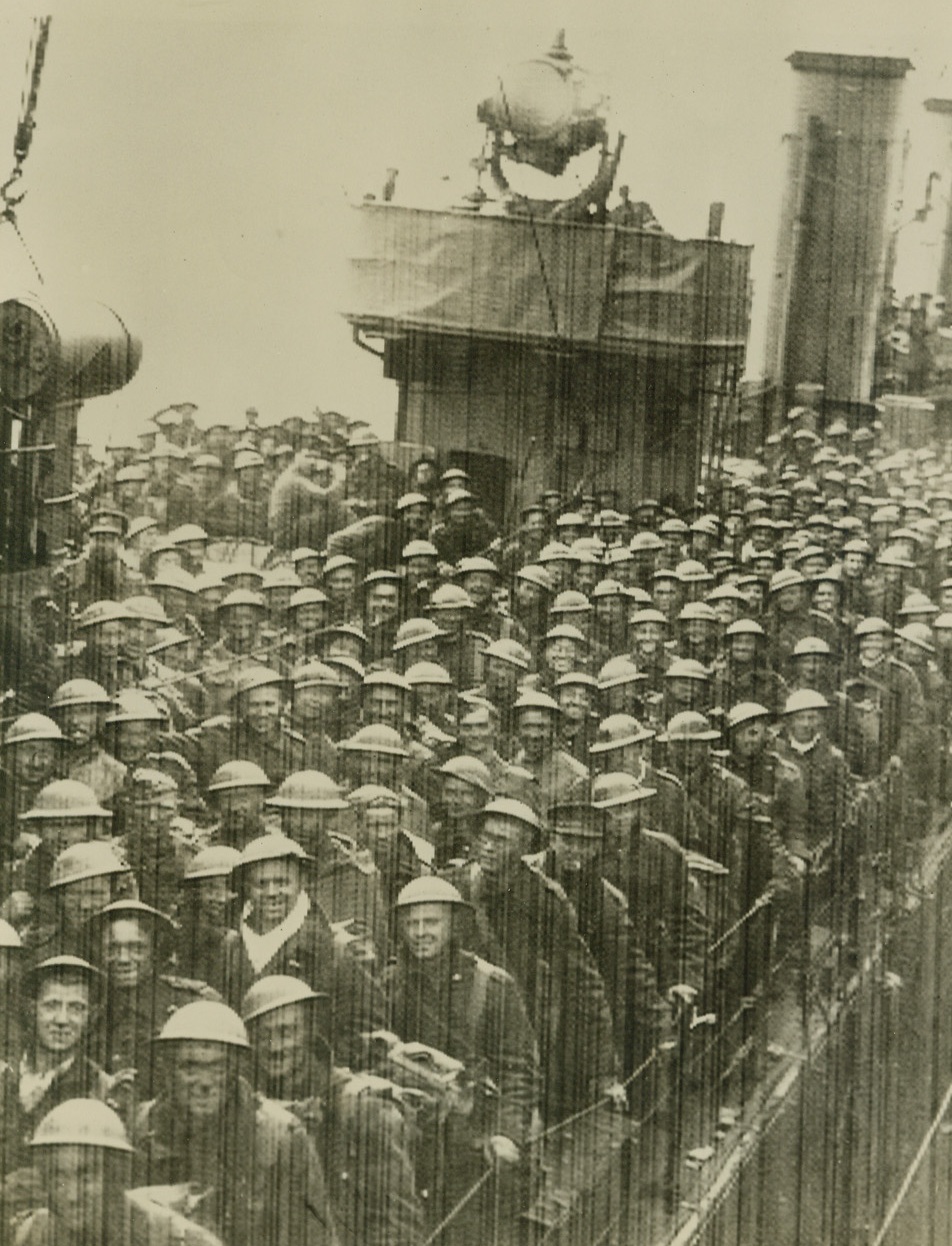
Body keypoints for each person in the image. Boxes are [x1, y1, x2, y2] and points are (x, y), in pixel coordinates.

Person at [382, 876, 539, 1244]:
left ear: (453, 924)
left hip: (473, 1144)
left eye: (431, 922)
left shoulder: (491, 986)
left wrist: (507, 1133)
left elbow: (519, 1069)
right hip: (410, 1140)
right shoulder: (389, 985)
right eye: (411, 923)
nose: (420, 933)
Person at [131, 1001, 341, 1246]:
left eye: (218, 1068)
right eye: (190, 1067)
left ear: (235, 1070)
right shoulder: (144, 1126)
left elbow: (315, 1237)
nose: (205, 1082)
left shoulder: (280, 1137)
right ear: (167, 1070)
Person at [240, 975, 423, 1246]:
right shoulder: (245, 1107)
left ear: (311, 1031)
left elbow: (396, 1226)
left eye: (287, 1032)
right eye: (263, 1035)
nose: (274, 1046)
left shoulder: (363, 1109)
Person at [12, 1098, 223, 1245]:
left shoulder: (179, 1239)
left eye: (87, 1178)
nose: (72, 1196)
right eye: (59, 1180)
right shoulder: (36, 1234)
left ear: (118, 1176)